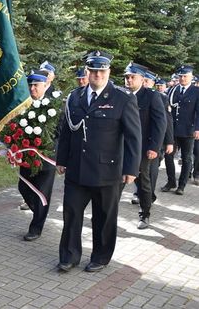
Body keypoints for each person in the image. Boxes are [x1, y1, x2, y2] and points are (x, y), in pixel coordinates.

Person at [56, 50, 141, 273]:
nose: (97, 75)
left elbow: (133, 137)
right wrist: (61, 159)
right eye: (93, 71)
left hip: (107, 170)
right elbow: (67, 131)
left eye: (102, 71)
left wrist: (131, 169)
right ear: (88, 72)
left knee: (103, 218)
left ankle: (101, 257)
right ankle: (69, 256)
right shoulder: (75, 96)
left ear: (108, 71)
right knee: (71, 214)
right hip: (77, 169)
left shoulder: (123, 98)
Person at [123, 63, 165, 229]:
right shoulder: (120, 94)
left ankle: (144, 214)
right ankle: (107, 215)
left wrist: (154, 147)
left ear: (142, 79)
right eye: (126, 77)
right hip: (121, 147)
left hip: (141, 148)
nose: (129, 80)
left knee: (143, 182)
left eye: (132, 77)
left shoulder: (151, 96)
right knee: (115, 182)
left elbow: (159, 123)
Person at [18, 70, 58, 241]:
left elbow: (60, 133)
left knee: (42, 194)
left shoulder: (54, 107)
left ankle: (36, 227)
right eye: (31, 85)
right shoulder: (24, 105)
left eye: (36, 85)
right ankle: (39, 214)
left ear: (45, 85)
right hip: (27, 158)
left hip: (47, 159)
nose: (32, 88)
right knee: (24, 187)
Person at [161, 65, 199, 195]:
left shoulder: (196, 91)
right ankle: (171, 181)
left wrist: (197, 128)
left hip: (188, 130)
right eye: (181, 76)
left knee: (186, 158)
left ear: (191, 77)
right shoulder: (173, 90)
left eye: (185, 76)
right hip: (173, 129)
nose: (182, 78)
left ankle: (181, 185)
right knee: (168, 155)